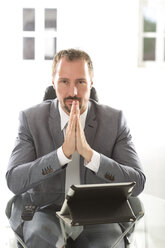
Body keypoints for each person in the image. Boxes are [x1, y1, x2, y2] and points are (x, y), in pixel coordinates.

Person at [6, 48, 146, 248]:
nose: (73, 92)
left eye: (80, 82)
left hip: (98, 212)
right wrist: (62, 155)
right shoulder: (31, 119)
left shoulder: (115, 120)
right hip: (45, 210)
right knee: (41, 238)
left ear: (91, 83)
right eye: (64, 81)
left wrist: (91, 155)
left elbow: (138, 183)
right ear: (53, 83)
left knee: (107, 245)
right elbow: (14, 180)